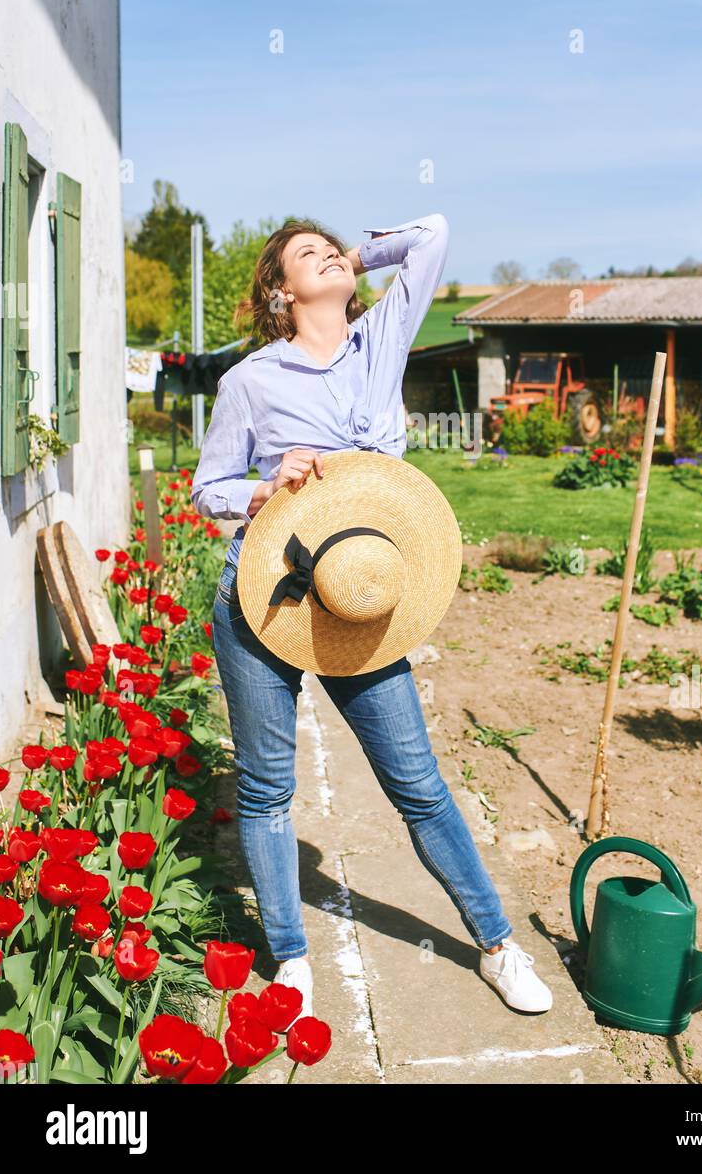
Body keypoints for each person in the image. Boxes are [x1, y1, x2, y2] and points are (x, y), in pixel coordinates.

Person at [190, 214, 552, 1018]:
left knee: (417, 784)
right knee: (266, 789)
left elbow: (431, 235)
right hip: (263, 597)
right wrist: (260, 486)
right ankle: (289, 956)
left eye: (331, 250)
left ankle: (496, 944)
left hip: (362, 594)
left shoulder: (381, 334)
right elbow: (206, 488)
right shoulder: (251, 379)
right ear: (280, 293)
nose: (326, 258)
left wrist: (347, 258)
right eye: (304, 256)